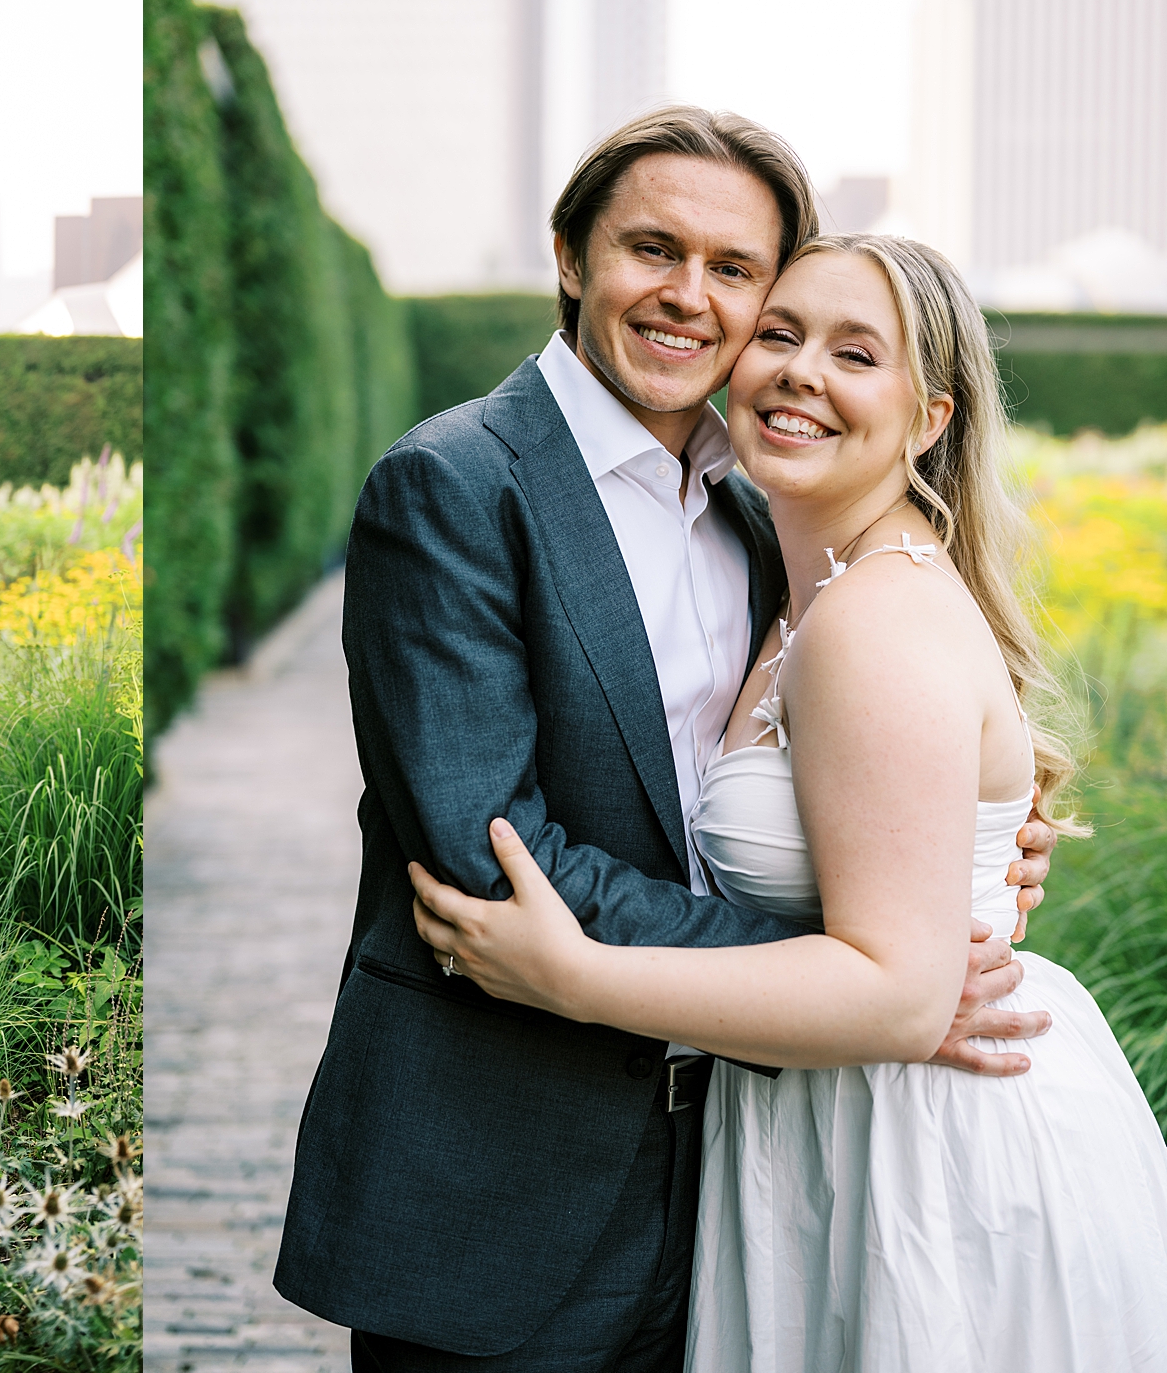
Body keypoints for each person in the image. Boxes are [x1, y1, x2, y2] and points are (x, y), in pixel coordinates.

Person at [272, 108, 1057, 1372]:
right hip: (506, 1167)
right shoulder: (453, 487)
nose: (688, 297)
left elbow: (849, 771)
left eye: (735, 271)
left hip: (748, 1180)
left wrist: (957, 867)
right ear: (572, 257)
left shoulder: (766, 509)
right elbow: (492, 860)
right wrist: (862, 974)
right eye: (652, 249)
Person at [411, 233, 1167, 1371]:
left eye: (855, 353)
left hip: (923, 1146)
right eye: (779, 333)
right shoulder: (794, 571)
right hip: (826, 1118)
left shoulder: (869, 619)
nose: (799, 371)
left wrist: (577, 978)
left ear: (927, 419)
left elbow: (903, 998)